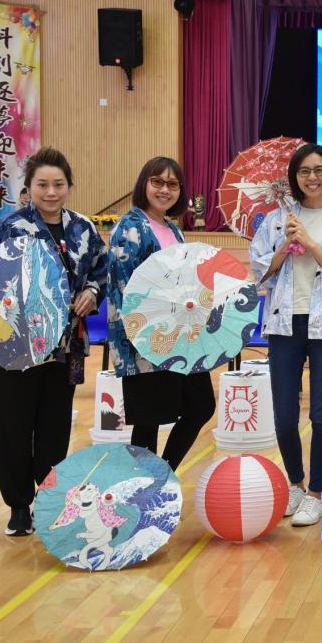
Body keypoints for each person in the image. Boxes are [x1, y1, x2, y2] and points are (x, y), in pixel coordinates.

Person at [0, 146, 108, 536]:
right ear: (29, 187)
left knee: (54, 425)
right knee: (12, 425)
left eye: (58, 184)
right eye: (42, 185)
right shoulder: (10, 227)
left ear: (69, 185)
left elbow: (101, 272)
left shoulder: (83, 228)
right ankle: (19, 506)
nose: (51, 192)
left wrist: (92, 293)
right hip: (14, 346)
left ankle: (48, 496)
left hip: (64, 346)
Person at [250, 144, 322, 527]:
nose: (312, 177)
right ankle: (295, 484)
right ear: (294, 178)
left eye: (318, 170)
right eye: (304, 171)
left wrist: (312, 244)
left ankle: (316, 493)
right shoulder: (275, 221)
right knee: (284, 414)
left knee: (321, 413)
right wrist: (285, 246)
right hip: (284, 323)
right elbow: (259, 273)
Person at [107, 157, 216, 471]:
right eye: (157, 182)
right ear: (144, 183)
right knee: (148, 420)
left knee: (201, 405)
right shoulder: (130, 227)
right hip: (145, 337)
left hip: (181, 335)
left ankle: (162, 474)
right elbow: (125, 288)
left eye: (172, 184)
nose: (164, 190)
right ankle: (145, 487)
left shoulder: (173, 230)